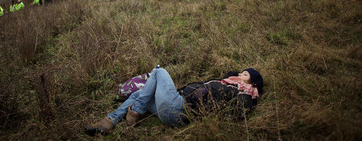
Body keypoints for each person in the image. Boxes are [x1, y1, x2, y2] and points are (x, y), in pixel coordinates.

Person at [84, 67, 263, 136]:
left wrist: (204, 108)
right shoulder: (226, 84)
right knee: (140, 93)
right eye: (240, 72)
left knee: (159, 71)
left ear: (252, 82)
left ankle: (135, 111)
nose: (239, 75)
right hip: (172, 112)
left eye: (244, 74)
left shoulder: (245, 94)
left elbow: (239, 112)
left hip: (180, 107)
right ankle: (109, 121)